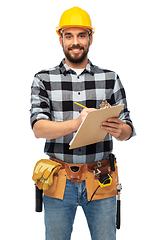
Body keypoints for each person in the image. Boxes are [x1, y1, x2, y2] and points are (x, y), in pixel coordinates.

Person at [30, 6, 136, 240]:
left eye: (81, 35)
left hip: (101, 179)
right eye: (69, 36)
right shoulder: (43, 79)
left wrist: (121, 130)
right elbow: (38, 127)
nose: (75, 42)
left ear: (90, 38)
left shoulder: (110, 78)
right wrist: (78, 122)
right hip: (58, 180)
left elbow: (128, 126)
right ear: (61, 39)